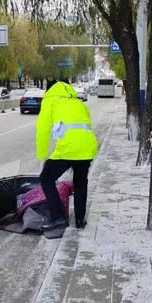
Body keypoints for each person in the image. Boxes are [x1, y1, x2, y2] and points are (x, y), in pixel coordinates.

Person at [36, 80, 98, 231]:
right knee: (80, 182)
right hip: (88, 147)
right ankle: (79, 220)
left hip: (68, 148)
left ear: (49, 90)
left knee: (46, 178)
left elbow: (42, 130)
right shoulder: (78, 102)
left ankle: (58, 218)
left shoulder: (50, 101)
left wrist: (42, 156)